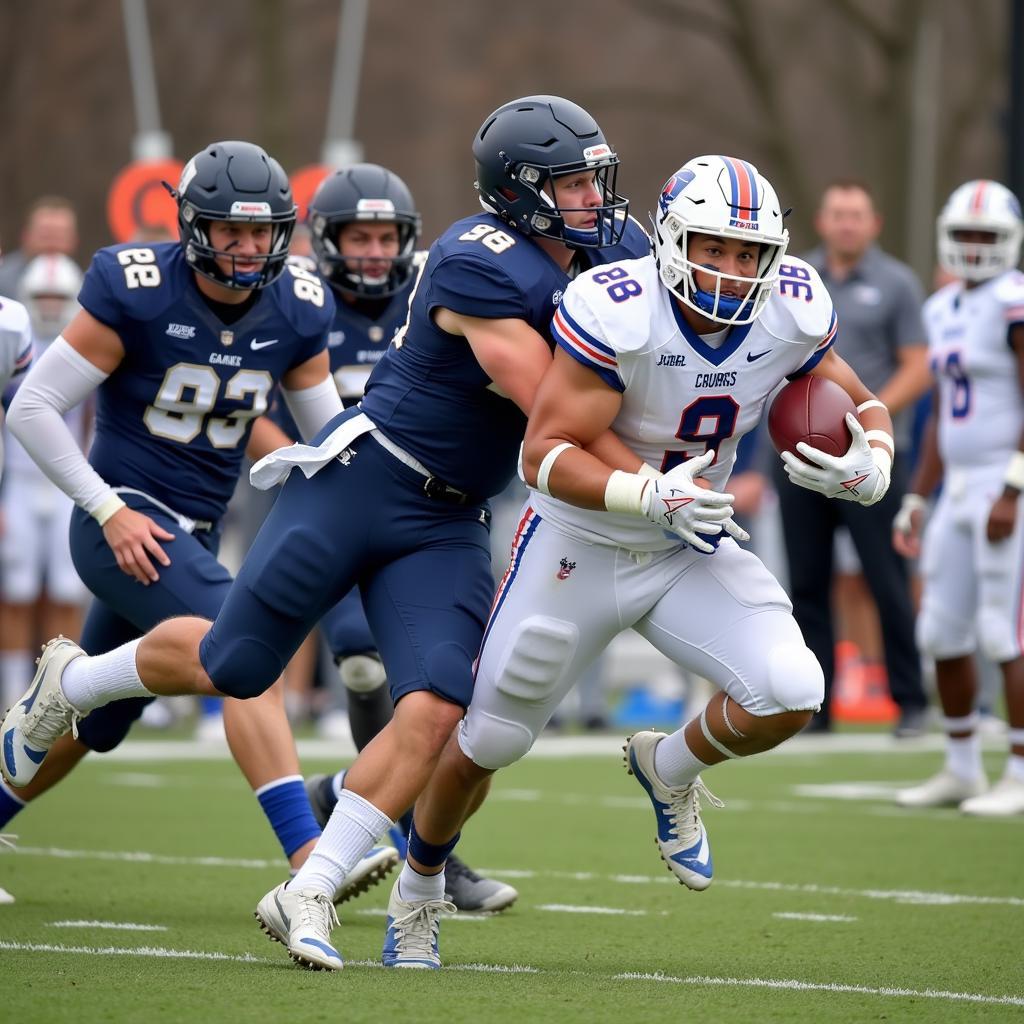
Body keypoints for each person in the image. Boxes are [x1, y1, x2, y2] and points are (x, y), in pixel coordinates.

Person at [0, 95, 650, 970]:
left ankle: (308, 884)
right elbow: (552, 405)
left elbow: (321, 416)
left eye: (592, 181)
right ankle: (100, 697)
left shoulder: (303, 299)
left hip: (448, 513)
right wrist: (659, 479)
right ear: (520, 189)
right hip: (281, 492)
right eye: (571, 183)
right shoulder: (476, 260)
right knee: (236, 667)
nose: (593, 200)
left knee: (437, 703)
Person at [395, 154, 898, 969]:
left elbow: (855, 392)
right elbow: (544, 453)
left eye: (748, 254)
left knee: (794, 689)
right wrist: (646, 494)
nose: (733, 272)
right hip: (580, 541)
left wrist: (873, 455)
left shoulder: (791, 308)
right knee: (487, 740)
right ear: (669, 240)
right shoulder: (619, 310)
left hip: (688, 543)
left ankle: (667, 767)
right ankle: (417, 892)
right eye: (714, 248)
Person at [0, 141, 397, 900]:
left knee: (96, 729)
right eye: (231, 231)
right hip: (124, 521)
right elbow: (34, 407)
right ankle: (308, 861)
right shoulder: (138, 288)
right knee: (246, 656)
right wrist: (106, 508)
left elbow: (328, 438)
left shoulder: (296, 305)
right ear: (191, 226)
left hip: (197, 531)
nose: (249, 248)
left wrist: (389, 492)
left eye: (262, 232)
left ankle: (72, 686)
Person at [273, 162, 516, 910]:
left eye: (386, 235)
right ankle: (424, 853)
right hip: (334, 506)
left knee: (450, 692)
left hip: (432, 519)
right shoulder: (301, 303)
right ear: (329, 239)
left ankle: (362, 804)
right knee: (360, 667)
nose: (376, 250)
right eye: (360, 236)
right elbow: (252, 397)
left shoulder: (446, 287)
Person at [771, 179, 931, 735]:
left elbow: (918, 363)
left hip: (870, 455)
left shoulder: (897, 284)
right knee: (807, 583)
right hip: (798, 453)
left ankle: (910, 700)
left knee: (886, 579)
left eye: (856, 215)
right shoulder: (795, 278)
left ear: (874, 223)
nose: (846, 224)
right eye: (837, 214)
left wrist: (868, 413)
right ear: (822, 221)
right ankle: (818, 707)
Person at [894, 179, 1024, 816]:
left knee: (1006, 631)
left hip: (1008, 483)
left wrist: (1014, 487)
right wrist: (918, 497)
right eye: (966, 234)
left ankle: (1022, 774)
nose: (975, 246)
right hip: (959, 487)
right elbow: (943, 415)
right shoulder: (943, 307)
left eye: (987, 236)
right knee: (941, 629)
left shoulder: (1014, 301)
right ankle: (963, 766)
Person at [1, 254, 89, 714]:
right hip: (16, 477)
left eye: (60, 297)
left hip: (66, 484)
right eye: (43, 297)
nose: (51, 306)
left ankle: (59, 693)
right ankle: (13, 691)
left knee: (65, 591)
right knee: (14, 593)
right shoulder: (14, 339)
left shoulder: (85, 343)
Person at [0, 196, 78, 298]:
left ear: (74, 240)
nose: (52, 244)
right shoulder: (2, 280)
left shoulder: (87, 282)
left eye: (60, 237)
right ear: (26, 236)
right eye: (45, 236)